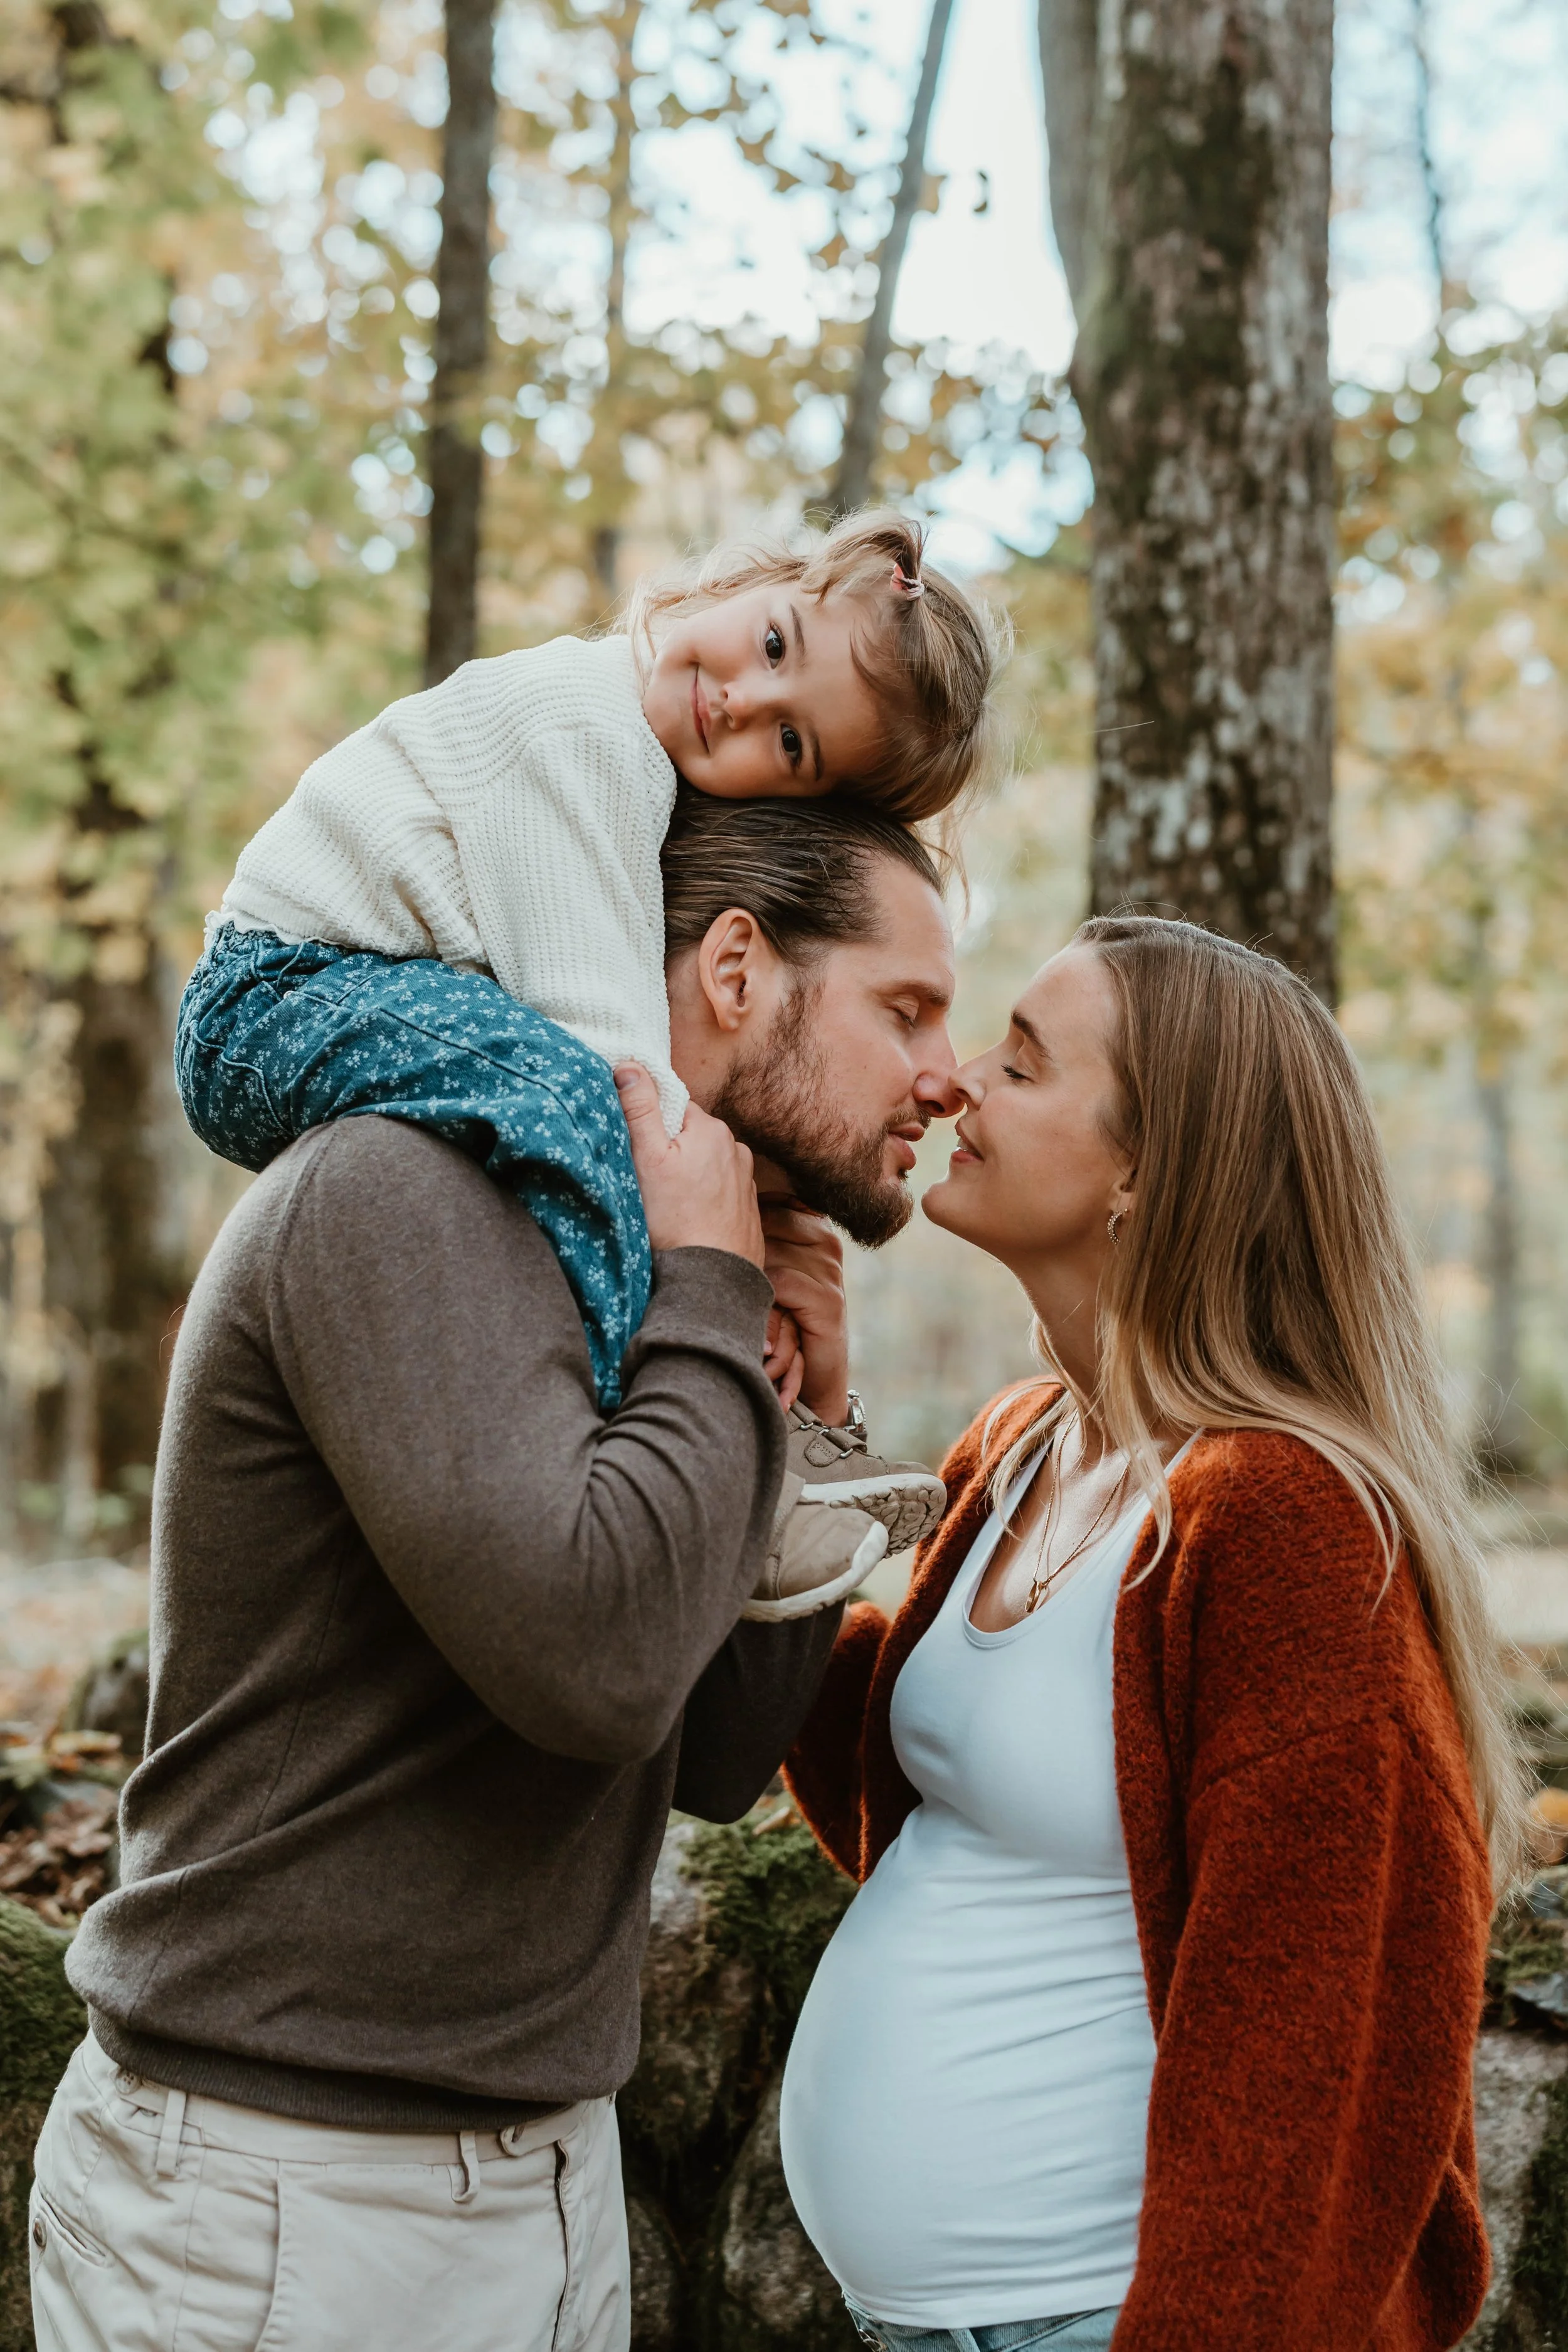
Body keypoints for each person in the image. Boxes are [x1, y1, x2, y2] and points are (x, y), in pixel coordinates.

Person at [30, 795, 961, 2352]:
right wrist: (711, 1293)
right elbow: (593, 1671)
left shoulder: (641, 1271)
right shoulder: (401, 1194)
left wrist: (795, 1403)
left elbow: (718, 1753)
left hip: (543, 2175)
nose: (941, 1071)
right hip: (278, 2194)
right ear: (735, 970)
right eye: (906, 1008)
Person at [780, 914, 1520, 2352]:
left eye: (1019, 1064)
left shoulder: (1281, 1520)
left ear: (1142, 1172)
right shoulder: (1019, 1441)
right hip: (929, 2323)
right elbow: (898, 1804)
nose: (951, 1088)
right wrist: (787, 1435)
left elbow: (1301, 2050)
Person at [175, 511, 1000, 1619]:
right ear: (761, 581)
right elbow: (607, 1043)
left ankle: (754, 1472)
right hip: (273, 990)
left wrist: (778, 1274)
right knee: (578, 1098)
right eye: (774, 645)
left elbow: (721, 1767)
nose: (743, 703)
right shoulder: (581, 728)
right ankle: (711, 1463)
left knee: (578, 1106)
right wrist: (708, 1281)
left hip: (334, 989)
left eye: (793, 744)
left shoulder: (634, 769)